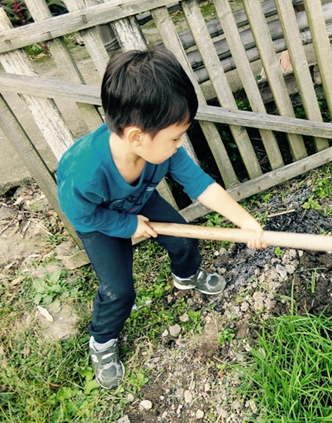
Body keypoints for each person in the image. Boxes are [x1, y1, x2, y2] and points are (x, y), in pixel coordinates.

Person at [56, 45, 266, 389]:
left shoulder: (159, 149)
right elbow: (81, 215)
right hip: (99, 219)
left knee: (183, 235)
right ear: (137, 136)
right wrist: (126, 225)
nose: (178, 143)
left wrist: (243, 221)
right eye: (175, 136)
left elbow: (199, 183)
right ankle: (102, 341)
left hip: (136, 200)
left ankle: (186, 276)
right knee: (119, 290)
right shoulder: (84, 171)